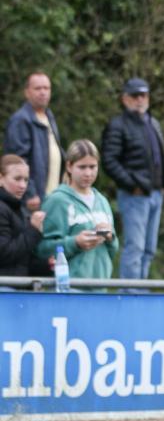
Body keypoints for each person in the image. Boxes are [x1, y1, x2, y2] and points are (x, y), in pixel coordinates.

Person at [101, 77, 164, 280]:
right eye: (135, 96)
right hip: (134, 196)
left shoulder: (152, 123)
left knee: (149, 249)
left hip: (155, 195)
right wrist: (132, 185)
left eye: (144, 95)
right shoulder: (118, 125)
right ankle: (130, 293)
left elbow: (160, 158)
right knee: (135, 248)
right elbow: (109, 161)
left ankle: (140, 293)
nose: (140, 99)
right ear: (125, 99)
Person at [37, 140, 119, 289]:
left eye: (92, 167)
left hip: (101, 290)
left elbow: (113, 250)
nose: (88, 173)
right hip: (69, 290)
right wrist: (75, 243)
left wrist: (109, 236)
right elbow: (42, 250)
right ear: (69, 166)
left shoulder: (102, 201)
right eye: (82, 167)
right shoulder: (57, 200)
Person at [3, 72, 65, 212]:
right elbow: (17, 161)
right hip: (32, 200)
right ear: (27, 92)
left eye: (46, 88)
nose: (43, 92)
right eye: (38, 88)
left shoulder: (49, 116)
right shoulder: (21, 120)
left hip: (52, 196)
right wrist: (29, 193)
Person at [0, 155, 46, 277]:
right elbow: (4, 254)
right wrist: (33, 230)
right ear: (1, 178)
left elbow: (22, 261)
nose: (23, 186)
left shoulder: (19, 208)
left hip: (17, 287)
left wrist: (47, 265)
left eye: (26, 180)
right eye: (17, 179)